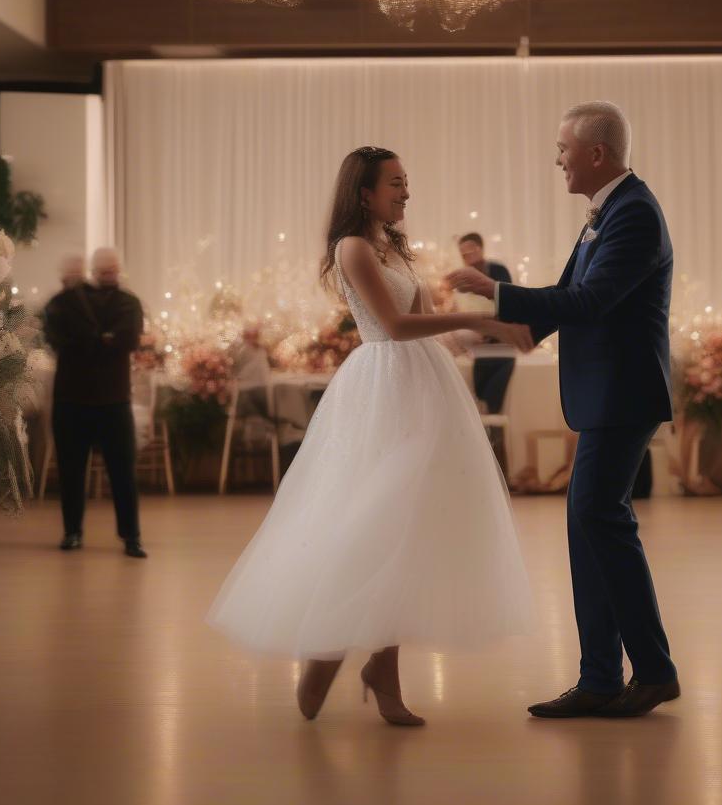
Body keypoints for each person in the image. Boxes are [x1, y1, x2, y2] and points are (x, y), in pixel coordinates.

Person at [207, 146, 535, 727]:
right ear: (364, 192)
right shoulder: (353, 247)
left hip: (423, 386)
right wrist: (476, 319)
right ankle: (331, 642)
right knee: (374, 517)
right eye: (396, 184)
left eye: (407, 183)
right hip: (381, 384)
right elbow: (393, 326)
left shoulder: (395, 249)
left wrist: (484, 333)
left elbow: (427, 326)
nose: (406, 192)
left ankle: (383, 668)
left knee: (408, 525)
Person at [449, 101, 679, 719]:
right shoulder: (609, 212)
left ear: (595, 154)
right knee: (590, 526)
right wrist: (522, 330)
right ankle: (601, 677)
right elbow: (567, 298)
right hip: (606, 392)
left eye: (563, 149)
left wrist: (493, 291)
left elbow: (592, 299)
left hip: (622, 394)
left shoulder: (633, 214)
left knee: (600, 521)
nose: (558, 160)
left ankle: (651, 671)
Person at [43, 248, 147, 558]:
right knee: (71, 470)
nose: (109, 274)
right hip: (71, 398)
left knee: (123, 472)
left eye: (113, 268)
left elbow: (129, 339)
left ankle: (131, 536)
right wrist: (101, 338)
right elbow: (56, 339)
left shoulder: (129, 302)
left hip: (113, 399)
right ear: (92, 271)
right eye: (103, 270)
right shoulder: (64, 303)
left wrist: (92, 340)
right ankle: (72, 531)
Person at [457, 233, 516, 414]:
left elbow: (508, 302)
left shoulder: (497, 270)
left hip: (502, 349)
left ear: (481, 248)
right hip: (478, 350)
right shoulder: (463, 278)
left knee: (495, 404)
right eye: (463, 252)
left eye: (470, 250)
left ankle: (497, 441)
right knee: (480, 402)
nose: (467, 255)